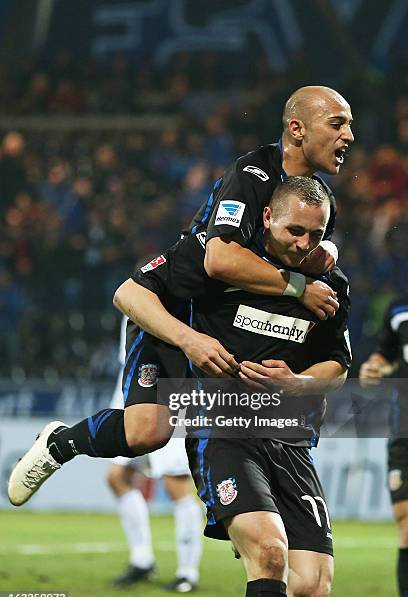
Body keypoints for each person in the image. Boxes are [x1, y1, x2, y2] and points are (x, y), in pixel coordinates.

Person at [8, 85, 353, 507]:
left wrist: (324, 256)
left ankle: (248, 516)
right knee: (146, 433)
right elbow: (219, 260)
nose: (348, 136)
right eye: (337, 123)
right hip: (168, 305)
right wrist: (296, 287)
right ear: (297, 129)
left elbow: (309, 259)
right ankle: (59, 444)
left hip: (219, 320)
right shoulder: (254, 176)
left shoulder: (317, 199)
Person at [114, 177, 352, 597]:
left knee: (312, 591)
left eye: (315, 235)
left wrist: (299, 383)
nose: (302, 244)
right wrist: (190, 341)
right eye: (293, 231)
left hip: (290, 439)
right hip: (223, 428)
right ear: (266, 216)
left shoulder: (329, 284)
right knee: (269, 552)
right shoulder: (218, 260)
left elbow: (337, 365)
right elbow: (129, 293)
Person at [107, 316, 202, 592]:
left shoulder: (178, 291)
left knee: (176, 483)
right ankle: (142, 560)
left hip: (171, 386)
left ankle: (187, 573)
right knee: (117, 476)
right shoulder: (131, 294)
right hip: (131, 382)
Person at [359, 295, 408, 597]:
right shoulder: (399, 309)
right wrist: (373, 368)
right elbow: (386, 355)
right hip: (404, 431)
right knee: (407, 524)